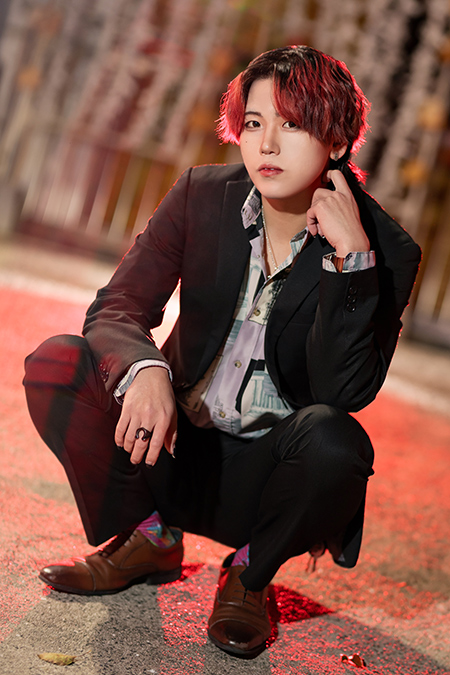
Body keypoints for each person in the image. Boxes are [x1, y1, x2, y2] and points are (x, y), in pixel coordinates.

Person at [23, 45, 421, 659]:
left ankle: (249, 574)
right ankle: (148, 538)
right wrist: (145, 369)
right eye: (254, 123)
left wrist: (352, 261)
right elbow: (118, 305)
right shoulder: (201, 195)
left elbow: (344, 393)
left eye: (293, 125)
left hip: (267, 481)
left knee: (336, 442)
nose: (267, 145)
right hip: (168, 444)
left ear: (338, 142)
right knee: (59, 363)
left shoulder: (385, 251)